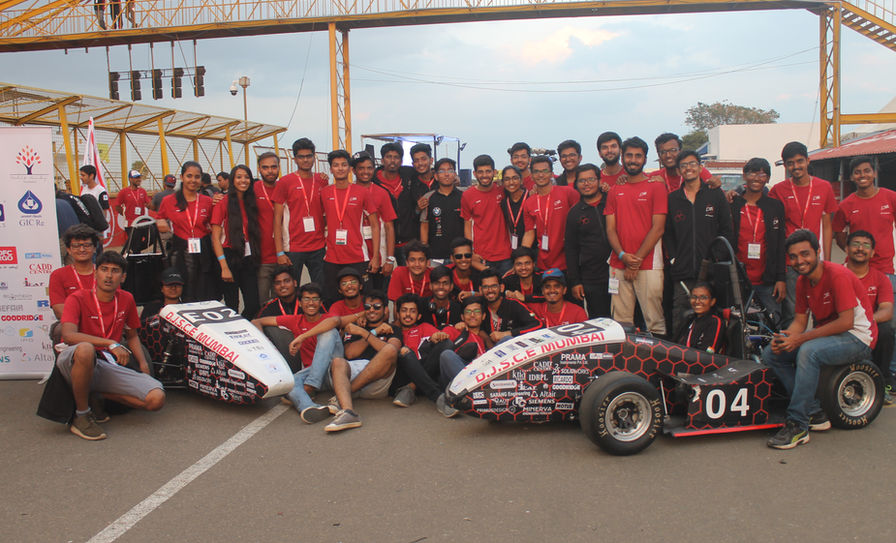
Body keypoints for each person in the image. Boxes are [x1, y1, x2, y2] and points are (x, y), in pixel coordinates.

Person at [763, 229, 877, 450]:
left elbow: (846, 322)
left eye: (805, 254)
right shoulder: (802, 282)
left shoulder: (837, 275)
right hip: (830, 335)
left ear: (817, 252)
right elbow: (799, 322)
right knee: (771, 354)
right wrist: (785, 338)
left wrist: (800, 340)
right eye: (793, 257)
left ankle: (798, 425)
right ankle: (814, 412)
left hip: (858, 337)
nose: (799, 261)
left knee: (809, 351)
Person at [56, 251, 165, 440]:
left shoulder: (126, 299)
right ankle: (82, 416)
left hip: (105, 363)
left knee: (156, 398)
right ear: (95, 273)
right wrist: (110, 343)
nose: (108, 275)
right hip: (75, 360)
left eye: (115, 271)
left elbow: (132, 335)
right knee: (86, 349)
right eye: (104, 269)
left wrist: (143, 364)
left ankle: (96, 393)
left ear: (123, 277)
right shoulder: (77, 298)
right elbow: (68, 335)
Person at [768, 141, 838, 325]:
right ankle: (792, 342)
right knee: (792, 310)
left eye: (800, 161)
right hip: (790, 261)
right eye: (790, 163)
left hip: (814, 259)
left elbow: (827, 226)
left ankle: (818, 341)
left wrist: (827, 260)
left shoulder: (824, 187)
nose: (796, 166)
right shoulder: (778, 190)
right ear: (785, 165)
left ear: (808, 161)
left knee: (821, 308)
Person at [663, 150, 733, 333]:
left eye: (692, 164)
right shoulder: (673, 199)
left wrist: (716, 258)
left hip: (711, 271)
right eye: (684, 165)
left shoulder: (715, 195)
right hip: (682, 272)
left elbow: (726, 230)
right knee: (680, 319)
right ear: (679, 171)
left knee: (712, 320)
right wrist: (674, 258)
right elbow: (668, 233)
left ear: (700, 167)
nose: (689, 168)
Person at [605, 137, 667, 336]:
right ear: (622, 157)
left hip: (648, 263)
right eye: (629, 155)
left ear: (645, 159)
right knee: (620, 324)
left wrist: (635, 262)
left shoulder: (656, 187)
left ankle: (657, 358)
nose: (633, 160)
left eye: (638, 156)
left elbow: (658, 228)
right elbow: (610, 229)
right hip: (618, 263)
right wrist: (623, 256)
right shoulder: (615, 190)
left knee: (654, 321)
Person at [326, 291, 403, 432]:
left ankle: (342, 396)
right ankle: (348, 412)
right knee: (337, 361)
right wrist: (372, 332)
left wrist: (364, 333)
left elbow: (392, 351)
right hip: (353, 371)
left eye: (377, 306)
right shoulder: (356, 326)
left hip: (378, 380)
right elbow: (350, 353)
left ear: (385, 309)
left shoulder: (393, 328)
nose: (372, 310)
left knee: (389, 350)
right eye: (368, 307)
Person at [251, 282, 334, 411]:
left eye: (315, 299)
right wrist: (266, 345)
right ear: (300, 303)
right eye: (306, 299)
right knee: (290, 384)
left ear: (320, 303)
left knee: (329, 332)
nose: (311, 303)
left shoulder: (329, 319)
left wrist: (302, 337)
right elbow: (256, 321)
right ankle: (310, 408)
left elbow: (340, 321)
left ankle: (310, 387)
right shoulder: (295, 320)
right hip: (309, 372)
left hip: (333, 370)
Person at [730, 158, 787, 324]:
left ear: (767, 179)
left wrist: (781, 279)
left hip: (767, 281)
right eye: (752, 173)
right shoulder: (733, 204)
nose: (757, 178)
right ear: (744, 176)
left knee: (772, 324)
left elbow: (780, 245)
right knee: (738, 325)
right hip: (738, 280)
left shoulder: (775, 207)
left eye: (762, 175)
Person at [320, 150, 380, 303]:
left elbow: (375, 225)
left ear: (349, 168)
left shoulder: (362, 192)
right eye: (336, 165)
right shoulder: (325, 193)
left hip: (358, 256)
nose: (340, 168)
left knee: (365, 300)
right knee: (332, 301)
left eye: (343, 165)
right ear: (331, 169)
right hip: (332, 257)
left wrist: (375, 257)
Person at [844, 230, 896, 402]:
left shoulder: (880, 278)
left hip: (866, 328)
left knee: (886, 330)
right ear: (846, 249)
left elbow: (887, 311)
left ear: (872, 252)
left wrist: (863, 322)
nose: (860, 248)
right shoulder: (835, 274)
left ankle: (882, 382)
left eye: (866, 245)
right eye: (855, 244)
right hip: (839, 326)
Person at [155, 161, 216, 302]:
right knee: (186, 289)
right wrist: (161, 223)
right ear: (182, 177)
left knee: (204, 288)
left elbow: (213, 224)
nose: (193, 180)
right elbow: (160, 218)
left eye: (197, 177)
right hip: (181, 249)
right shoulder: (169, 200)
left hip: (204, 250)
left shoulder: (207, 201)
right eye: (189, 176)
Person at [272, 137, 328, 288]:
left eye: (309, 156)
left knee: (320, 289)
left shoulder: (322, 180)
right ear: (295, 159)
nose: (305, 160)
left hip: (318, 246)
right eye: (301, 157)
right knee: (292, 289)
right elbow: (277, 219)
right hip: (293, 248)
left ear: (314, 157)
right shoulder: (285, 182)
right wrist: (279, 252)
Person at [211, 164, 262, 318]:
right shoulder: (223, 202)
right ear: (232, 180)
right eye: (239, 177)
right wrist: (224, 267)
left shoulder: (251, 202)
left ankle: (242, 324)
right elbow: (215, 238)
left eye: (246, 177)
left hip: (248, 257)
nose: (243, 180)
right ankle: (233, 328)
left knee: (253, 304)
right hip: (229, 256)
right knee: (232, 305)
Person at [565, 163, 612, 318]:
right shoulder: (574, 213)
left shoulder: (612, 201)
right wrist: (575, 281)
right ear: (576, 184)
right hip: (592, 277)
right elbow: (571, 249)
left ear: (599, 181)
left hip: (619, 272)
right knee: (600, 320)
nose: (587, 184)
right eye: (582, 180)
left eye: (591, 179)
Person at [436, 296, 494, 417]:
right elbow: (440, 337)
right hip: (461, 377)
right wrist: (439, 335)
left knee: (506, 339)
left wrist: (487, 339)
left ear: (483, 316)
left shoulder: (487, 337)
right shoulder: (454, 331)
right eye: (468, 312)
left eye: (477, 311)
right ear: (462, 317)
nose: (472, 315)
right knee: (447, 355)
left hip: (485, 374)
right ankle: (475, 392)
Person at [374, 142, 430, 265]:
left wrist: (451, 177)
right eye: (389, 157)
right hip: (384, 243)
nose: (392, 161)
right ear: (382, 160)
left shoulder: (409, 175)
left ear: (401, 161)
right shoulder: (374, 181)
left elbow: (426, 172)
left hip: (409, 243)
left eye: (396, 157)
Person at [522, 155, 579, 271]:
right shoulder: (529, 202)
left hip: (568, 261)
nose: (541, 175)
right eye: (536, 172)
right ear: (531, 175)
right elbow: (529, 233)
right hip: (543, 262)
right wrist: (521, 257)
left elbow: (581, 218)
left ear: (552, 174)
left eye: (545, 171)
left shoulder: (567, 193)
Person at [352, 151, 397, 291]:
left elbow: (389, 227)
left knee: (378, 296)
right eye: (361, 168)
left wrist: (390, 259)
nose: (365, 172)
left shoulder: (381, 193)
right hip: (356, 254)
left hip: (379, 256)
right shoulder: (349, 191)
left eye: (369, 168)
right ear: (353, 170)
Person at [462, 154, 512, 275]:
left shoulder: (503, 190)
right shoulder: (467, 195)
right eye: (480, 172)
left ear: (494, 172)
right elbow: (467, 226)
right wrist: (471, 252)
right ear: (474, 174)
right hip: (481, 256)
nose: (484, 175)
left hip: (505, 255)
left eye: (488, 171)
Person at [392, 294, 445, 408]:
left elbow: (442, 337)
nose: (408, 314)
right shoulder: (392, 331)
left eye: (412, 311)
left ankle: (412, 387)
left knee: (446, 343)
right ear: (398, 314)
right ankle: (437, 395)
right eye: (404, 310)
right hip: (401, 376)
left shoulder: (424, 327)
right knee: (405, 353)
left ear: (419, 316)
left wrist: (437, 336)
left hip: (425, 372)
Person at [478, 269, 542, 344]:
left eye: (494, 286)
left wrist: (508, 333)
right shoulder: (478, 306)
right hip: (488, 349)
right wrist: (487, 339)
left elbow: (538, 324)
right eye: (485, 287)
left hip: (513, 347)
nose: (490, 290)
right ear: (480, 290)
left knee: (507, 338)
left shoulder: (513, 304)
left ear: (501, 288)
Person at [50, 225, 99, 321]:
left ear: (94, 248)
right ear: (68, 249)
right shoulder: (58, 275)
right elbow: (59, 311)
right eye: (76, 246)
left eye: (87, 245)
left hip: (103, 324)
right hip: (73, 325)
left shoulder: (105, 273)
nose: (82, 250)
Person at [420, 158, 464, 262]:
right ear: (436, 176)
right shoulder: (428, 198)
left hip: (460, 256)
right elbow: (424, 226)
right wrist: (424, 253)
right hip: (435, 256)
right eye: (442, 171)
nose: (446, 174)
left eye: (450, 170)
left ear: (455, 174)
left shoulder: (464, 196)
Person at [254, 152, 282, 304]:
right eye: (265, 167)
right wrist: (217, 198)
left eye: (273, 167)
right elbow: (232, 199)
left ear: (279, 167)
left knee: (281, 303)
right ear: (259, 169)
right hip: (262, 258)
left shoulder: (285, 187)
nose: (270, 171)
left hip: (284, 256)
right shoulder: (252, 189)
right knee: (262, 303)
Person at [675, 283, 726, 353]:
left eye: (703, 298)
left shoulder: (715, 322)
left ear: (712, 301)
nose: (697, 301)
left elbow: (708, 354)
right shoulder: (689, 319)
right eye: (694, 297)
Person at [388, 241, 432, 305]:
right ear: (407, 262)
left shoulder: (433, 274)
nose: (417, 264)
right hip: (406, 310)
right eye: (412, 260)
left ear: (427, 262)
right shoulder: (399, 273)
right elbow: (397, 305)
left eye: (421, 260)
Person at [500, 165, 530, 251]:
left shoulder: (530, 197)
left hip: (533, 248)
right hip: (515, 249)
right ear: (502, 183)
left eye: (515, 178)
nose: (511, 182)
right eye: (507, 179)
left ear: (521, 180)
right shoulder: (504, 203)